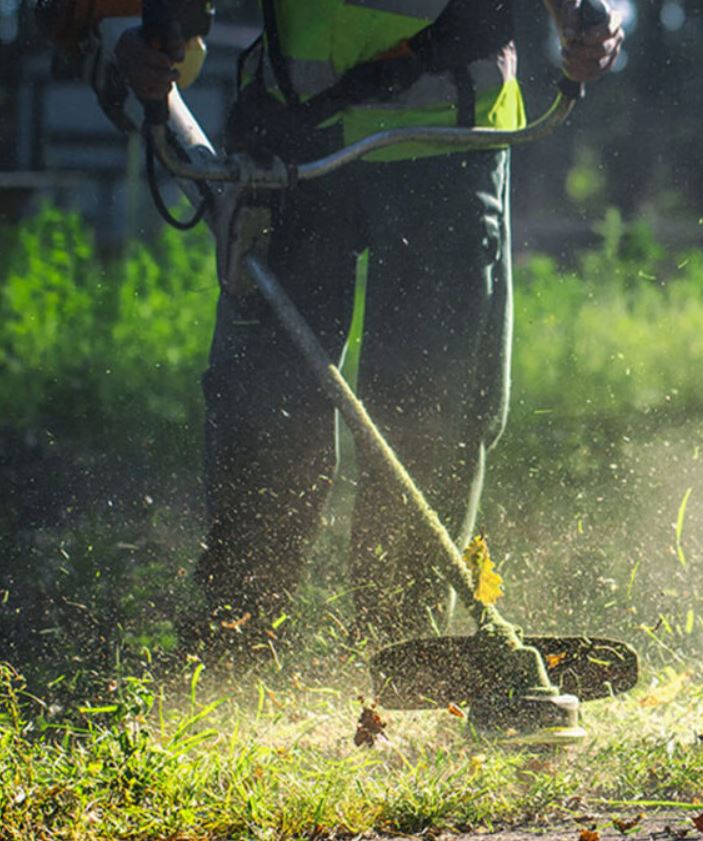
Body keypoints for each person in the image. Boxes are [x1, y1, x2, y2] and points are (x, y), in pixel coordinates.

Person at [113, 0, 624, 658]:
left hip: (447, 139)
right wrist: (158, 39)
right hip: (292, 135)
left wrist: (586, 14)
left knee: (429, 409)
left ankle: (403, 649)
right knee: (265, 404)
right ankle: (237, 633)